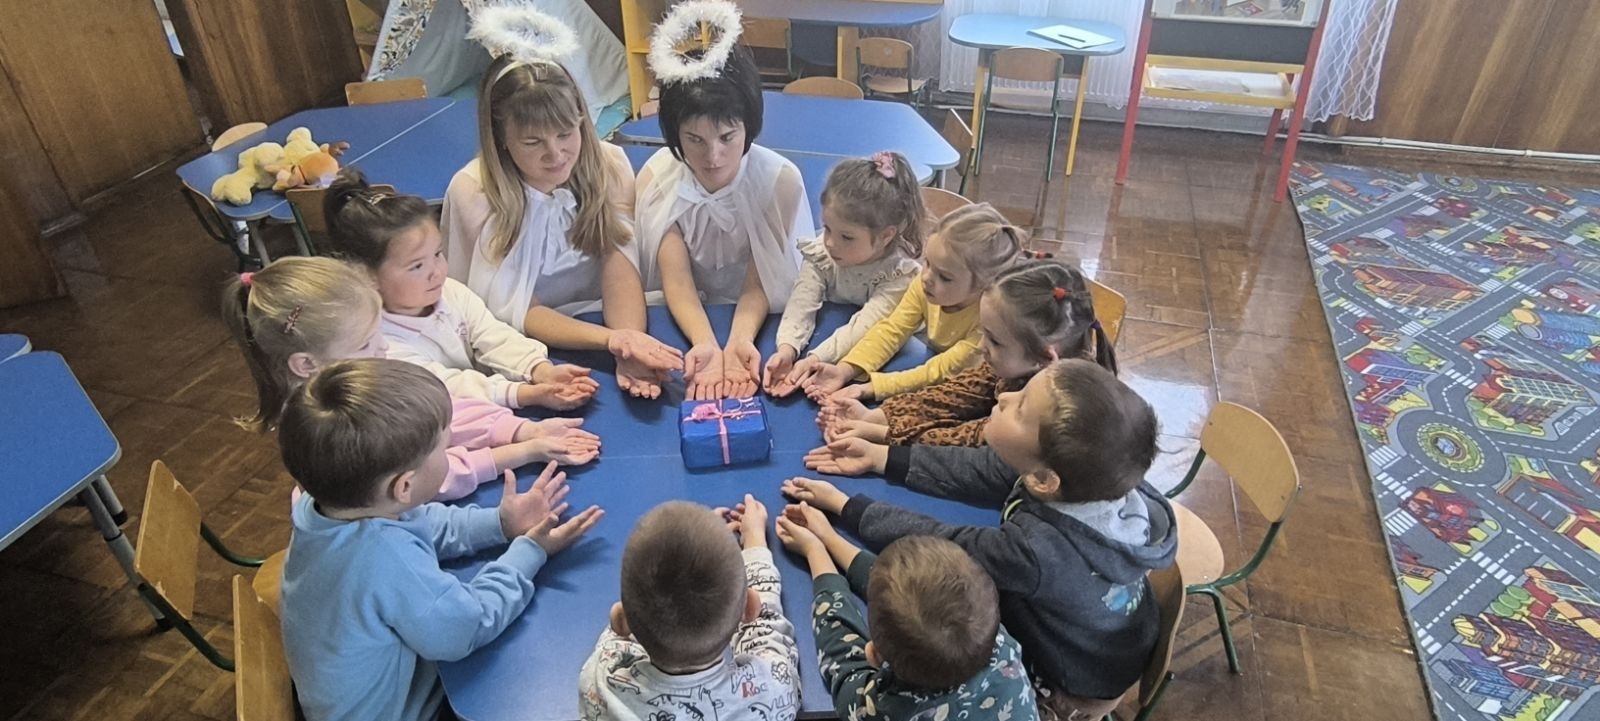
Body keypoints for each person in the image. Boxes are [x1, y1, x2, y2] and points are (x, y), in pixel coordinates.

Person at [792, 359, 1178, 718]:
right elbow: (986, 470)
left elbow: (948, 547)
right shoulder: (1094, 477)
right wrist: (882, 458)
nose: (1005, 396)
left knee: (943, 628)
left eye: (1021, 407)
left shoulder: (1036, 551)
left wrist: (848, 508)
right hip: (1110, 641)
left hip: (1076, 679)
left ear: (1044, 481)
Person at [278, 358, 603, 721]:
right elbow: (466, 628)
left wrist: (499, 523)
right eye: (443, 449)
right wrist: (529, 552)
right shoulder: (382, 558)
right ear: (404, 486)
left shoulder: (324, 506)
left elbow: (420, 520)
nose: (449, 455)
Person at [221, 257, 599, 500]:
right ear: (306, 364)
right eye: (366, 342)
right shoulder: (336, 427)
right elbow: (430, 479)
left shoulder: (355, 378)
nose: (384, 347)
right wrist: (524, 451)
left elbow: (438, 412)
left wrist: (520, 429)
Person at [442, 40, 682, 399]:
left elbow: (619, 268)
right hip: (527, 351)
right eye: (532, 142)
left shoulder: (610, 166)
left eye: (566, 134)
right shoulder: (475, 193)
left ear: (582, 120)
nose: (555, 154)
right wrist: (613, 341)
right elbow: (517, 308)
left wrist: (630, 345)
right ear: (501, 138)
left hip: (609, 322)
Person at [633, 2, 812, 400]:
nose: (713, 156)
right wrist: (705, 344)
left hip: (759, 317)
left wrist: (739, 341)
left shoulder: (779, 183)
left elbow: (760, 278)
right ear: (674, 134)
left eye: (727, 137)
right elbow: (676, 279)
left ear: (749, 127)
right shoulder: (657, 180)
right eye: (694, 140)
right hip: (680, 316)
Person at [324, 170, 599, 410]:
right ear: (366, 275)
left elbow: (492, 335)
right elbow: (444, 387)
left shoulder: (449, 292)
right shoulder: (375, 343)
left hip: (488, 409)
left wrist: (540, 369)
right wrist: (524, 394)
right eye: (417, 266)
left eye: (437, 254)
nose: (437, 271)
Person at [776, 503, 1039, 721]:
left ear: (873, 655)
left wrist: (816, 551)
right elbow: (908, 592)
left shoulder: (881, 711)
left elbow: (841, 656)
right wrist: (831, 539)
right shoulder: (998, 640)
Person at [818, 258, 1116, 447]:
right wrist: (879, 416)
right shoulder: (1023, 366)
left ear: (1045, 359)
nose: (981, 346)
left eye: (994, 341)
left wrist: (882, 435)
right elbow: (954, 396)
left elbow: (973, 441)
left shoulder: (1052, 413)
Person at [578, 498, 799, 721]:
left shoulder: (599, 684)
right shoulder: (773, 690)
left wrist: (702, 545)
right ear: (750, 608)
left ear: (620, 620)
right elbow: (766, 634)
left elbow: (619, 638)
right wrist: (755, 542)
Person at [802, 203, 1024, 403]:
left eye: (945, 277)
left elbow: (938, 371)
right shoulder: (926, 284)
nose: (926, 277)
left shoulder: (987, 323)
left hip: (974, 389)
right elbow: (893, 329)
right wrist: (845, 369)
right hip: (937, 363)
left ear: (982, 286)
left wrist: (869, 388)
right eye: (927, 263)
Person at [762, 151, 923, 398]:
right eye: (827, 228)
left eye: (846, 237)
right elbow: (801, 302)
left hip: (890, 360)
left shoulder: (899, 275)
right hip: (831, 334)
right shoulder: (823, 253)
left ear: (886, 236)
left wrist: (815, 359)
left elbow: (864, 327)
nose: (830, 242)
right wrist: (787, 348)